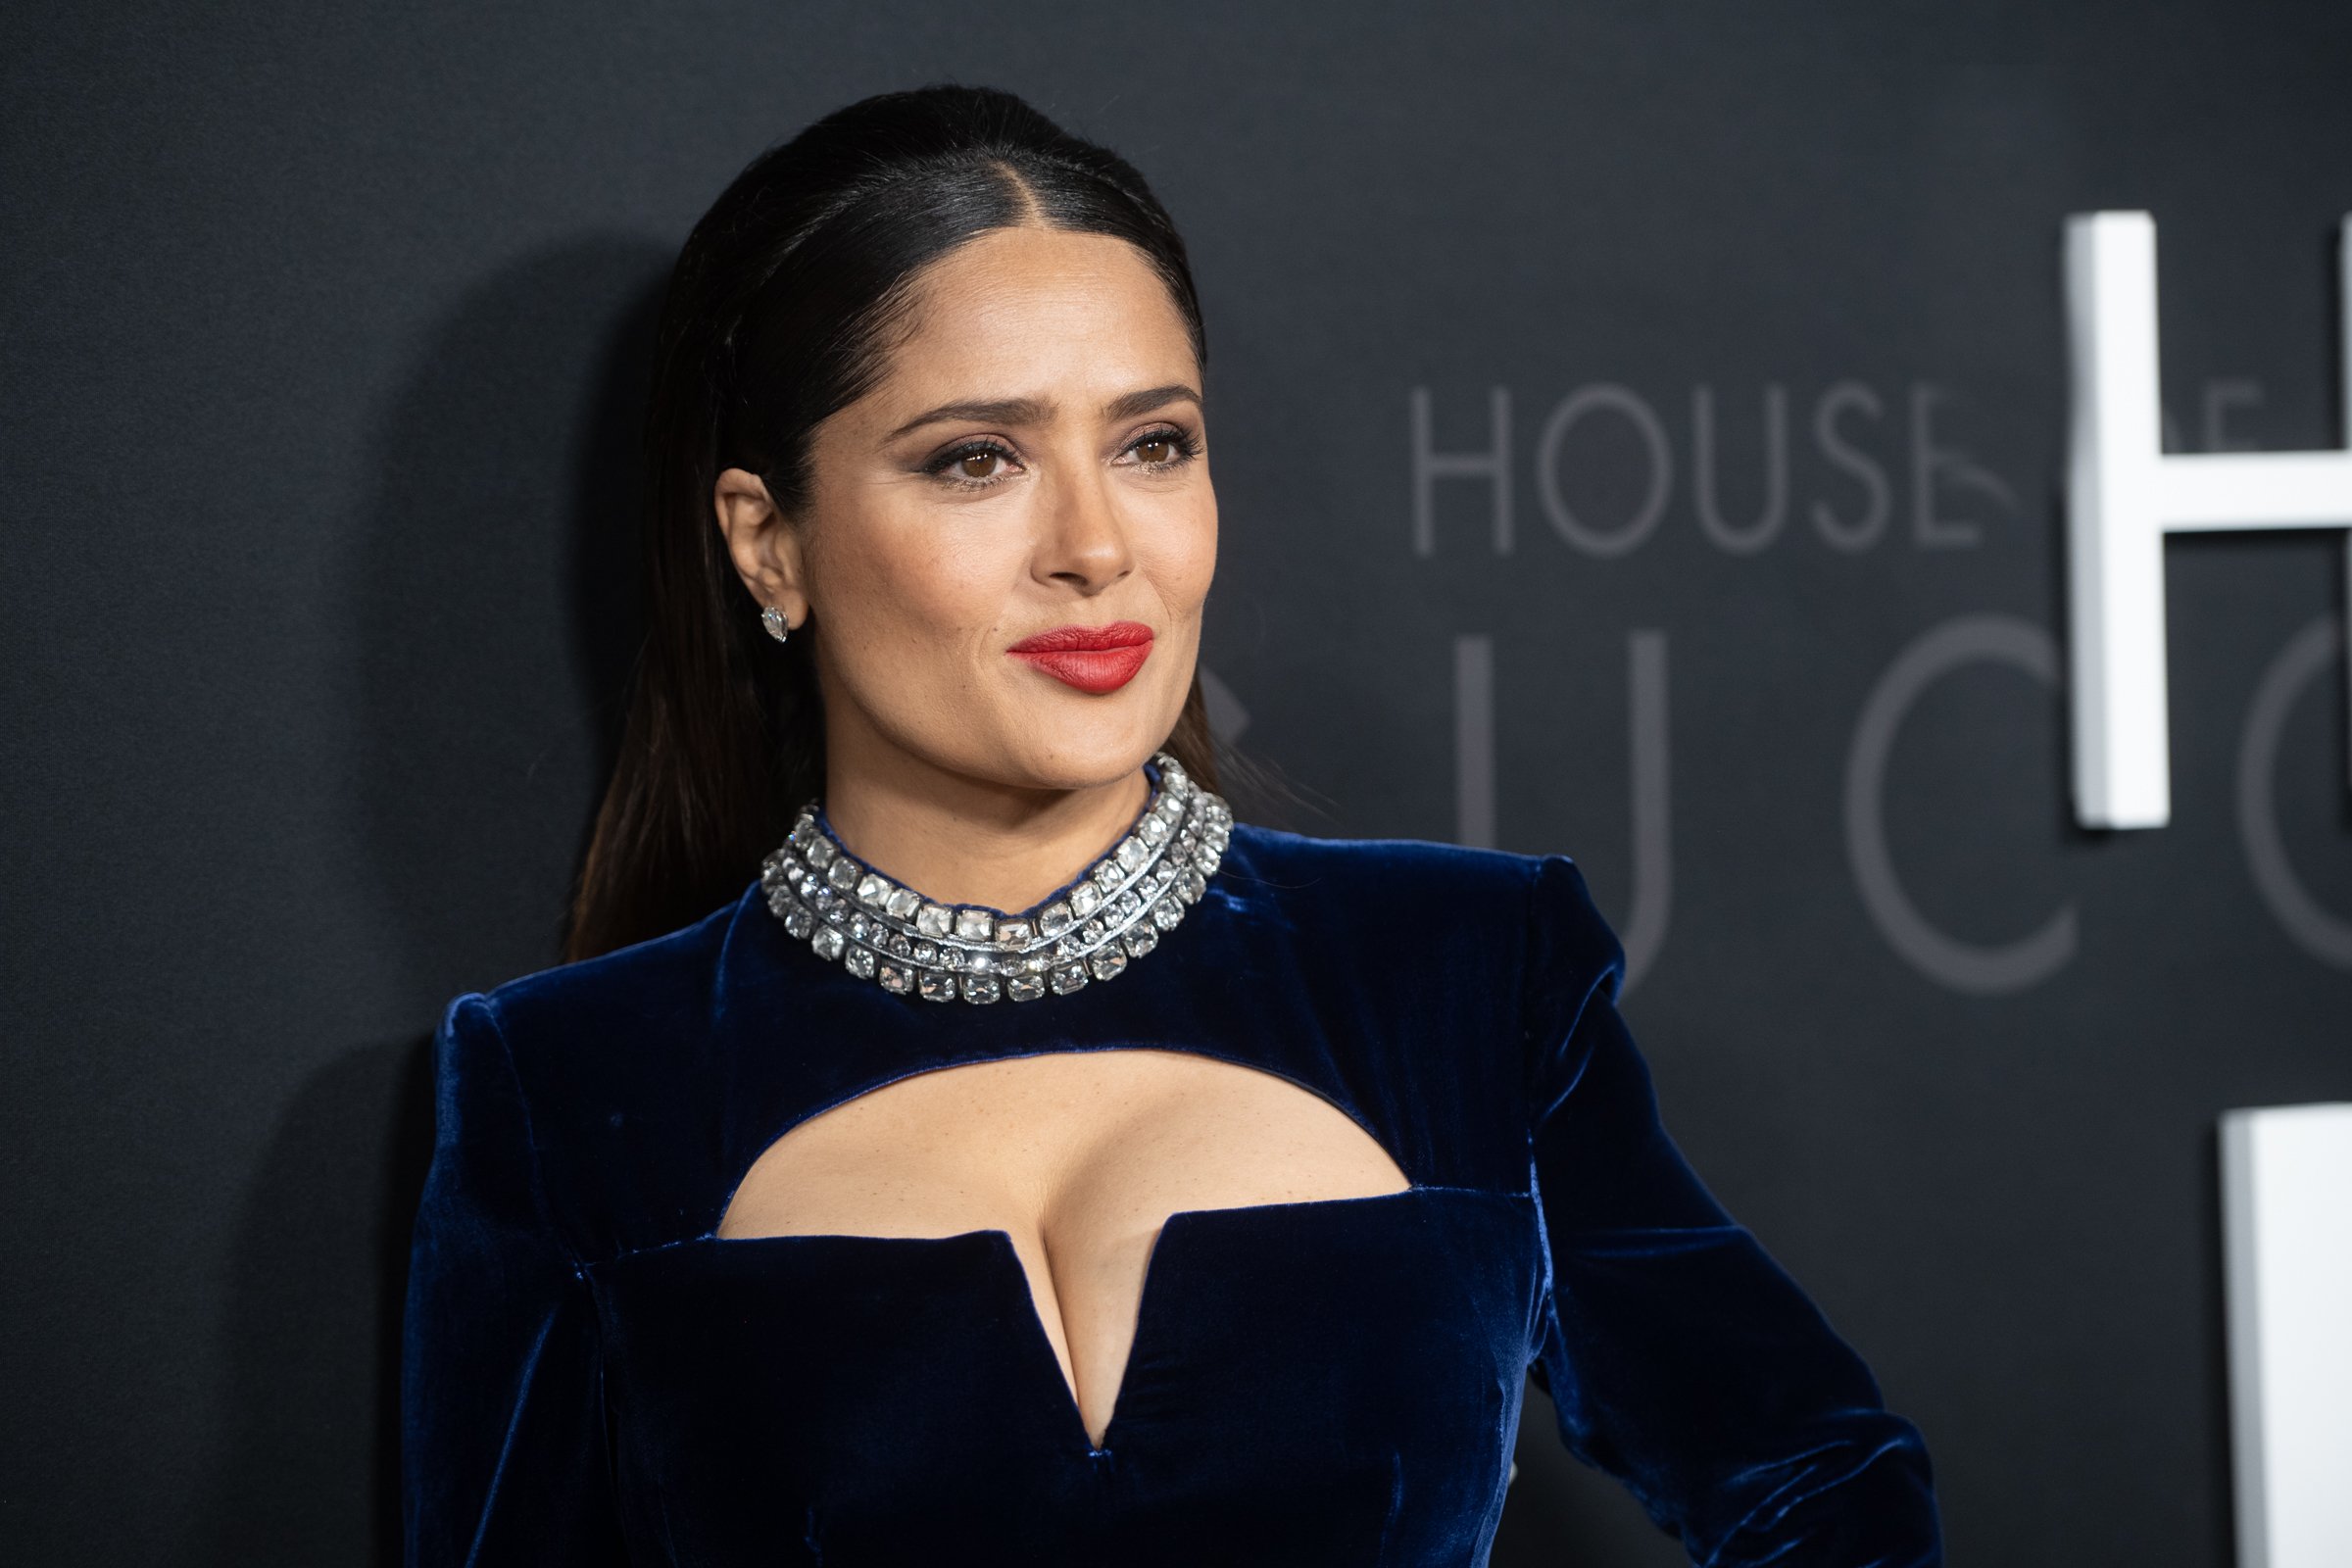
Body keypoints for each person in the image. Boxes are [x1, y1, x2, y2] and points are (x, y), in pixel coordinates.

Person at [400, 85, 1940, 1567]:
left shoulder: (1469, 977)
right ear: (767, 540)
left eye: (1153, 444)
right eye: (976, 459)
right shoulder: (565, 1092)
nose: (1093, 547)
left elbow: (1824, 1481)